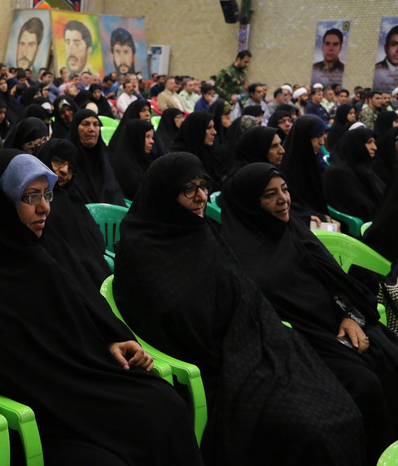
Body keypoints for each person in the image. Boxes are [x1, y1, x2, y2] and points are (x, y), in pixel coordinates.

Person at [0, 149, 203, 465]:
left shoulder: (43, 253)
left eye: (47, 195)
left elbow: (78, 317)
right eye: (30, 197)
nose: (44, 207)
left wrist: (110, 341)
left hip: (82, 382)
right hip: (43, 413)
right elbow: (4, 370)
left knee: (166, 405)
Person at [114, 153, 365, 465]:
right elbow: (165, 320)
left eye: (203, 186)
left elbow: (244, 292)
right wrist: (232, 342)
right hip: (211, 365)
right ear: (164, 195)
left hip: (252, 344)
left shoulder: (201, 232)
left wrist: (255, 334)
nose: (201, 197)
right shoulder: (141, 248)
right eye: (189, 189)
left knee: (342, 408)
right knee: (307, 431)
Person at [221, 162, 398, 463]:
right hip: (300, 343)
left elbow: (336, 282)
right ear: (250, 203)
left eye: (285, 190)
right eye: (270, 195)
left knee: (390, 358)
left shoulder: (294, 231)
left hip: (338, 325)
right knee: (363, 384)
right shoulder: (237, 256)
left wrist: (350, 316)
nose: (283, 200)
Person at [35, 139, 111, 287]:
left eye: (71, 167)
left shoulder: (72, 198)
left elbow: (96, 244)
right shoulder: (38, 206)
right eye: (58, 161)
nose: (65, 171)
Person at [279, 114, 332, 224]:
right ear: (304, 138)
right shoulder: (286, 168)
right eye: (317, 136)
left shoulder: (312, 159)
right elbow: (294, 207)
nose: (322, 142)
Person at [323, 127, 384, 220]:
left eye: (374, 142)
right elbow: (363, 209)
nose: (374, 147)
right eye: (369, 142)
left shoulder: (363, 167)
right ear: (356, 145)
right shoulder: (338, 174)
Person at [68, 109, 125, 205]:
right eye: (86, 124)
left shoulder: (106, 156)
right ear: (75, 128)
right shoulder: (68, 157)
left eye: (96, 124)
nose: (92, 129)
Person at [108, 118, 155, 200]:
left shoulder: (144, 160)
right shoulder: (124, 167)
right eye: (147, 137)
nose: (152, 141)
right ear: (135, 138)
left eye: (152, 137)